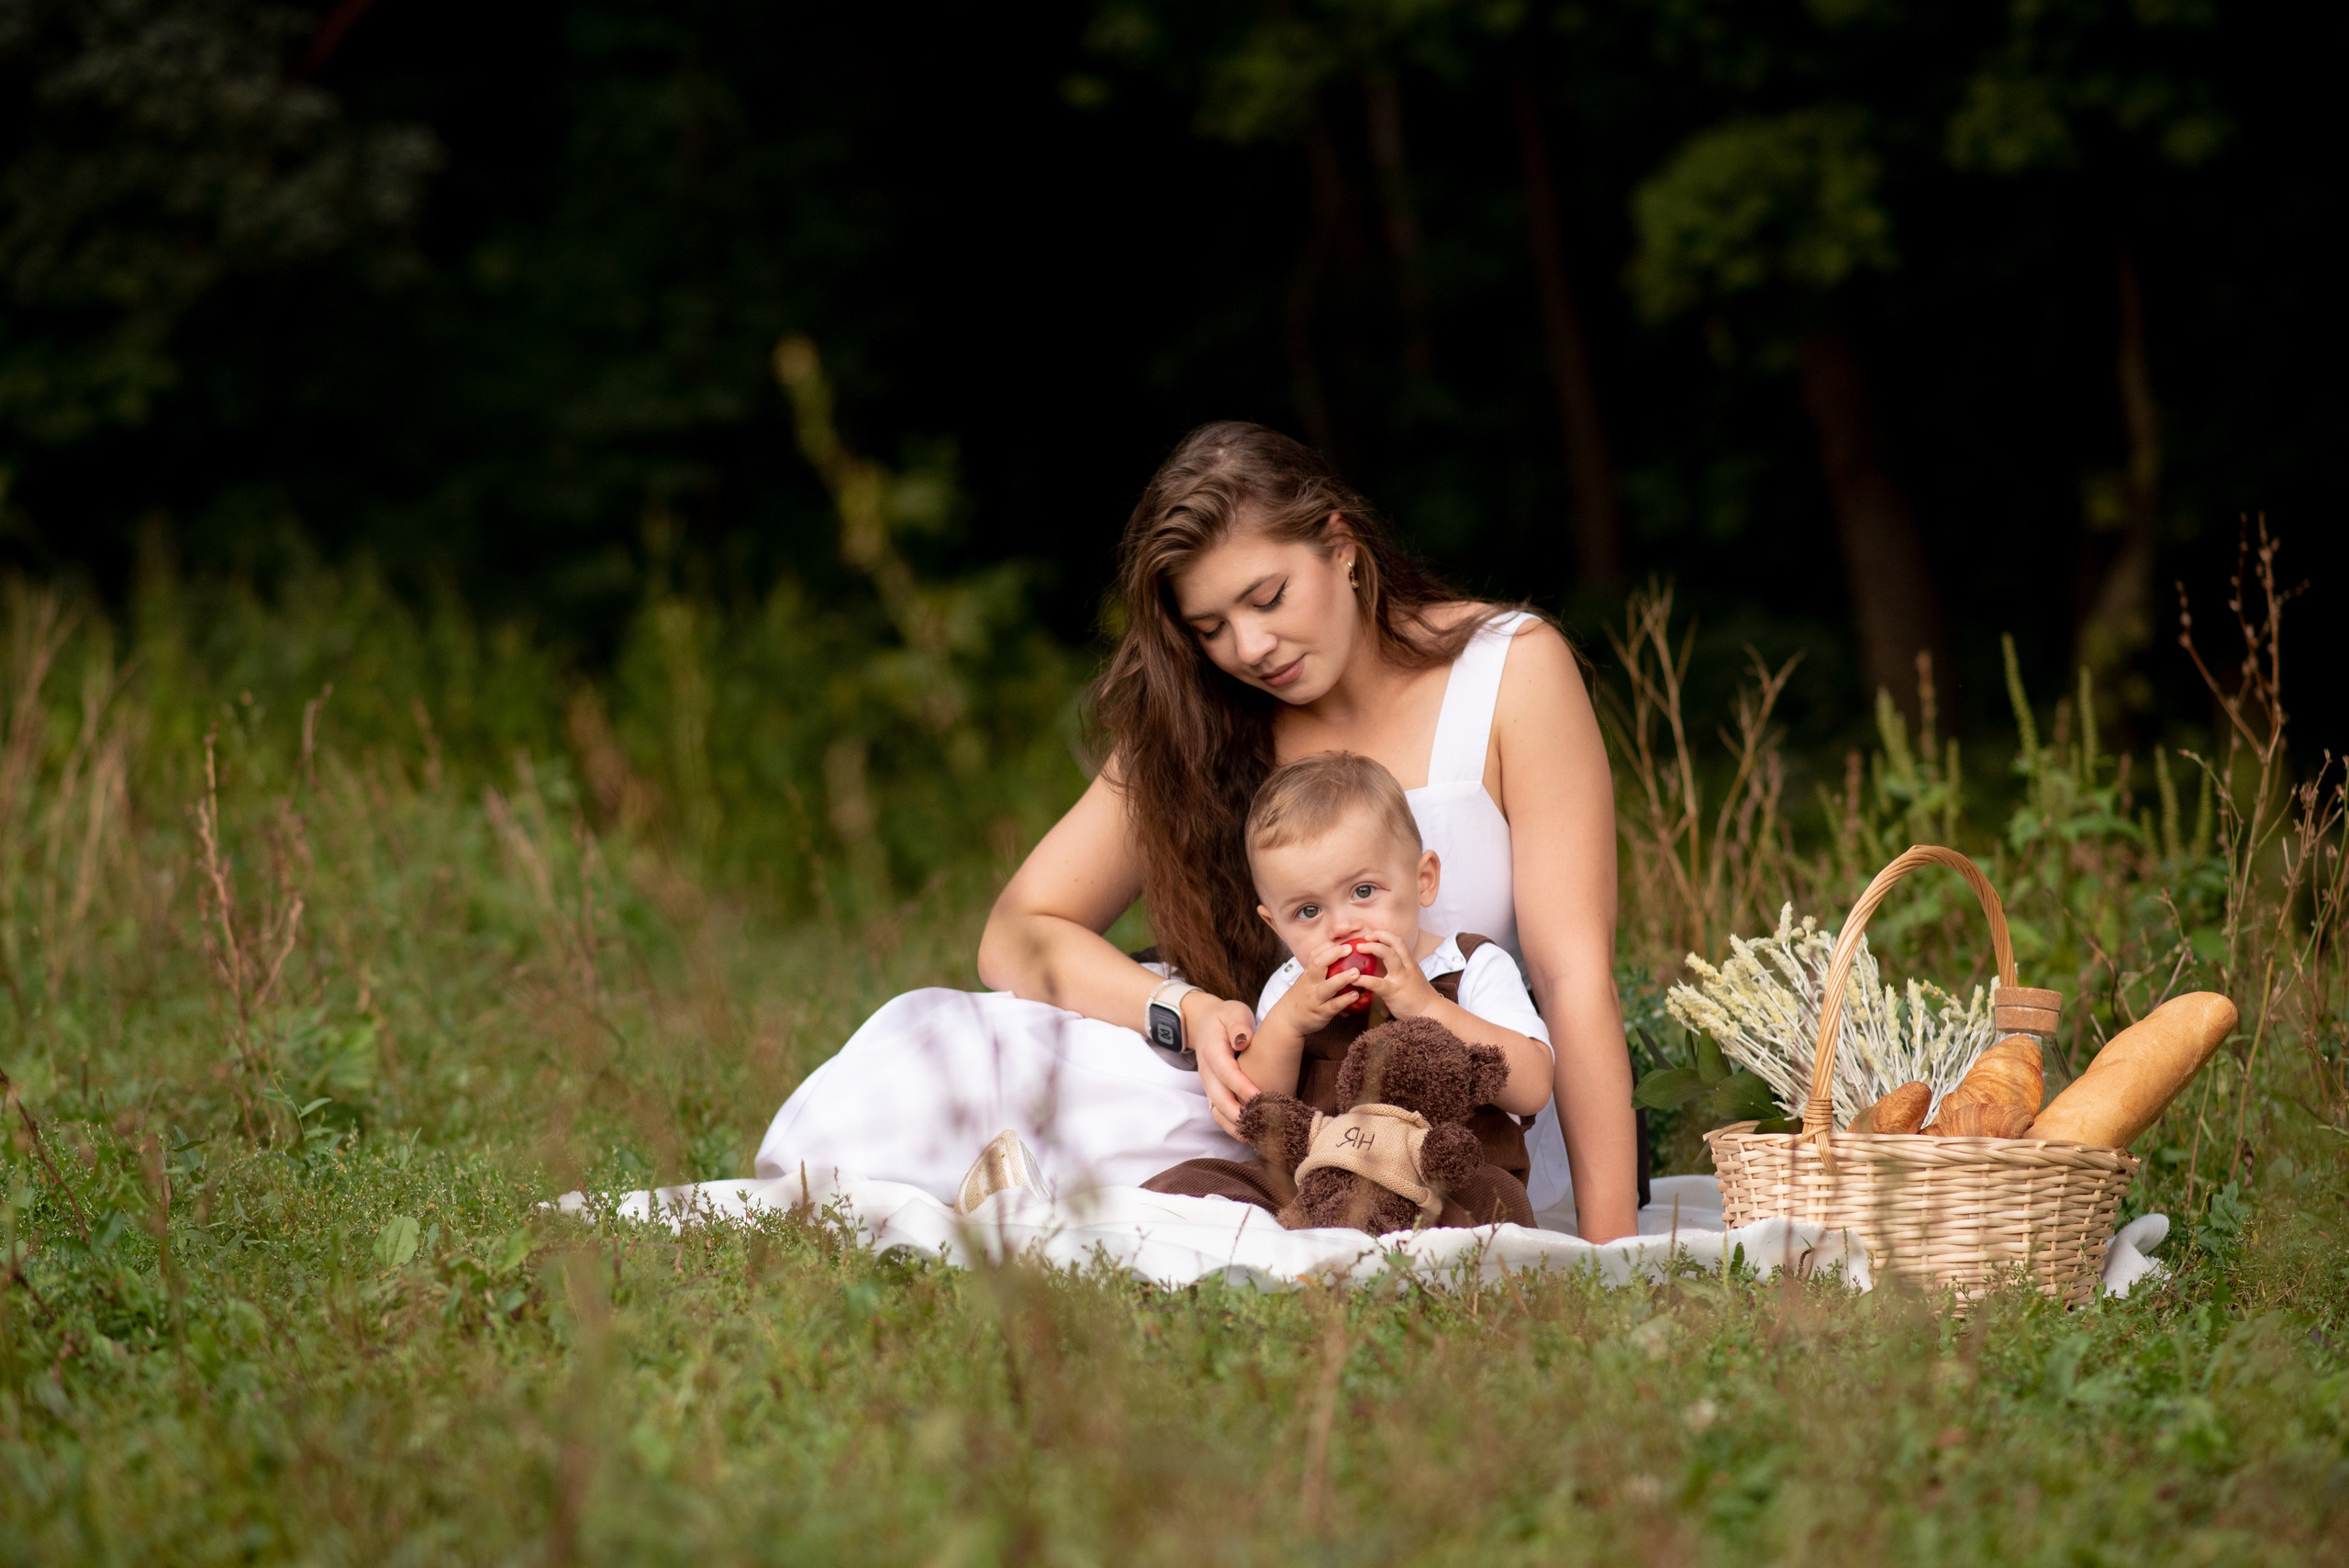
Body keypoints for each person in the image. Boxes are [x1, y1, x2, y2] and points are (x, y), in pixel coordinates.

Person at [753, 420, 1640, 1241]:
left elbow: (1571, 978)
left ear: (1342, 546)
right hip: (1267, 1086)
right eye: (1211, 627)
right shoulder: (1204, 720)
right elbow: (1016, 934)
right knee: (956, 1042)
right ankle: (997, 1200)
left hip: (1463, 1111)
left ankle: (1033, 1199)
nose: (1250, 647)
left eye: (1269, 597)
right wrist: (1186, 1013)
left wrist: (1614, 1251)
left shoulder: (1509, 672)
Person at [1141, 751, 1553, 1227]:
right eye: (1308, 912)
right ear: (1275, 924)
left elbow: (1533, 1088)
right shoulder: (1293, 987)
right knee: (1193, 1182)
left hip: (1440, 1182)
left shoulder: (1470, 966)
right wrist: (1289, 1025)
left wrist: (1426, 1004)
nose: (1341, 926)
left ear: (1423, 880)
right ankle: (1168, 1232)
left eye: (1363, 892)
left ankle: (1403, 1261)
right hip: (1317, 1179)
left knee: (1495, 1199)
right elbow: (1255, 1113)